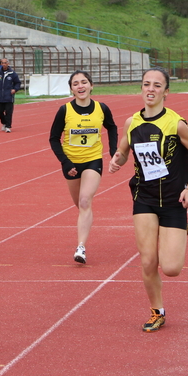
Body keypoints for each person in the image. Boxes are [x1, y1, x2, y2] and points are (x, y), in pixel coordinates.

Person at [108, 67, 188, 333]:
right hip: (144, 199)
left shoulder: (176, 124)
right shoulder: (132, 123)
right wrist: (117, 160)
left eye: (156, 85)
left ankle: (180, 230)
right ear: (141, 88)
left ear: (166, 92)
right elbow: (123, 150)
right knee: (148, 261)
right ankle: (157, 311)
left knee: (172, 268)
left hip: (175, 200)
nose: (150, 89)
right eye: (146, 84)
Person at [49, 70, 118, 264]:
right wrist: (65, 161)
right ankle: (84, 225)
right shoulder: (65, 111)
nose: (81, 86)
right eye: (76, 83)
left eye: (84, 82)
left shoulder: (101, 108)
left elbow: (112, 127)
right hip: (71, 164)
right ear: (71, 89)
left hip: (93, 160)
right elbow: (54, 139)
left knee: (85, 200)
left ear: (91, 85)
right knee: (80, 205)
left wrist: (113, 152)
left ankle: (81, 247)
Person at [0, 58, 21, 133]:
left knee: (8, 112)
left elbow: (17, 83)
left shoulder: (12, 73)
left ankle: (8, 126)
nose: (4, 64)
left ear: (8, 63)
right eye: (2, 63)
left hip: (9, 96)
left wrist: (14, 89)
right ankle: (4, 122)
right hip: (0, 96)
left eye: (5, 63)